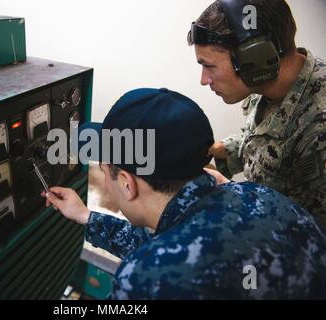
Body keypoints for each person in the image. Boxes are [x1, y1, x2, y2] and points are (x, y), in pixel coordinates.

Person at [43, 87, 326, 299]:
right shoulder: (256, 194)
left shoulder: (146, 278)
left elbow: (167, 261)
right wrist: (85, 216)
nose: (105, 181)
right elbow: (172, 245)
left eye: (105, 172)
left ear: (127, 184)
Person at [187, 0, 325, 225]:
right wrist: (223, 150)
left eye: (209, 66)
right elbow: (266, 138)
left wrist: (227, 194)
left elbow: (307, 239)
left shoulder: (319, 129)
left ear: (255, 58)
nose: (204, 80)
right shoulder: (262, 81)